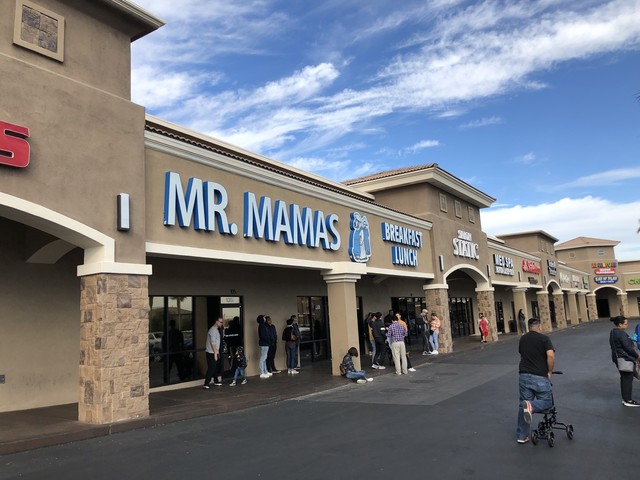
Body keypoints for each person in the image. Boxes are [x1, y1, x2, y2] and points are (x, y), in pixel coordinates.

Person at [516, 318, 555, 444]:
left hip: (524, 375)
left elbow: (522, 353)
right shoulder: (544, 339)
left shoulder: (523, 339)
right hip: (539, 376)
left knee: (524, 404)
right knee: (547, 402)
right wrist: (550, 371)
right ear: (539, 327)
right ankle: (531, 406)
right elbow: (550, 355)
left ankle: (522, 436)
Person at [609, 316, 640, 407]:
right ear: (620, 324)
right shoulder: (621, 334)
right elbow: (628, 347)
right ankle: (628, 400)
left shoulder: (613, 332)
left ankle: (626, 399)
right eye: (625, 324)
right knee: (627, 379)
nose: (627, 325)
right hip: (624, 359)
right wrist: (637, 356)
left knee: (625, 378)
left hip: (618, 358)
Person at [203, 317, 224, 389]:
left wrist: (217, 353)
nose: (221, 324)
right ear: (216, 322)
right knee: (211, 368)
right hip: (211, 353)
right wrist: (215, 353)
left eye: (222, 322)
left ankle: (216, 381)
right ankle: (206, 383)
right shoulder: (212, 330)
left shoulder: (216, 330)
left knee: (215, 367)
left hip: (215, 352)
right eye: (221, 322)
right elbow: (213, 343)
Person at [257, 314, 271, 379]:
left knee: (264, 358)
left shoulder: (262, 325)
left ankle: (265, 371)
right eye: (264, 318)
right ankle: (262, 372)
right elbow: (263, 336)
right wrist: (268, 340)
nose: (265, 318)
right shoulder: (262, 326)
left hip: (265, 343)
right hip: (264, 343)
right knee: (263, 358)